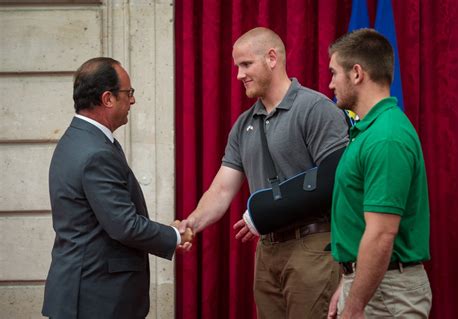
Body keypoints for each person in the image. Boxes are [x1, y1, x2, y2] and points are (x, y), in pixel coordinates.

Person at [179, 27, 349, 318]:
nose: (239, 75)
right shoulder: (243, 124)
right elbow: (221, 189)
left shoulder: (315, 109)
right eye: (237, 67)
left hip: (312, 247)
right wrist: (191, 222)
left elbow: (337, 180)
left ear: (272, 58)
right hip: (267, 252)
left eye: (246, 65)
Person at [42, 57, 192, 319]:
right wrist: (175, 236)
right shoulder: (95, 151)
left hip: (83, 292)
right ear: (108, 98)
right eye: (129, 93)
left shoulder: (77, 139)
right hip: (97, 299)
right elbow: (124, 226)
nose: (132, 100)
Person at [327, 29, 432, 318]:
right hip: (373, 286)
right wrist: (349, 282)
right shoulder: (370, 131)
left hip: (386, 296)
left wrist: (356, 304)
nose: (330, 83)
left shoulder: (385, 137)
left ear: (357, 73)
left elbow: (382, 233)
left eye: (334, 73)